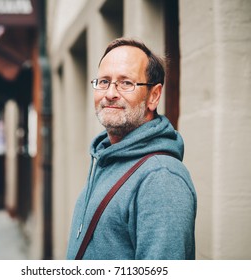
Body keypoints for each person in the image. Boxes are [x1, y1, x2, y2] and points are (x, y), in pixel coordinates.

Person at [66, 38, 197, 260]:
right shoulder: (106, 157)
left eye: (126, 83)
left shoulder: (161, 178)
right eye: (104, 81)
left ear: (153, 96)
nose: (110, 93)